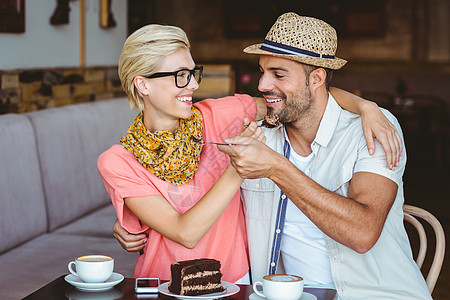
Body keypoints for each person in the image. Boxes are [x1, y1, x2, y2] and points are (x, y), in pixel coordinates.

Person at [105, 22, 403, 286]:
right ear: (142, 84)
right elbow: (185, 232)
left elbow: (298, 101)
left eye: (193, 73)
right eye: (181, 75)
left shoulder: (221, 116)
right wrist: (133, 221)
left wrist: (366, 106)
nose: (195, 84)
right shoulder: (118, 160)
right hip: (161, 285)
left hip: (237, 284)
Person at [217, 13, 431, 299]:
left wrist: (277, 168)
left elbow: (363, 234)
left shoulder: (371, 130)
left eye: (278, 74)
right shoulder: (259, 137)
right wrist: (141, 223)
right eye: (262, 71)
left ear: (317, 77)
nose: (263, 84)